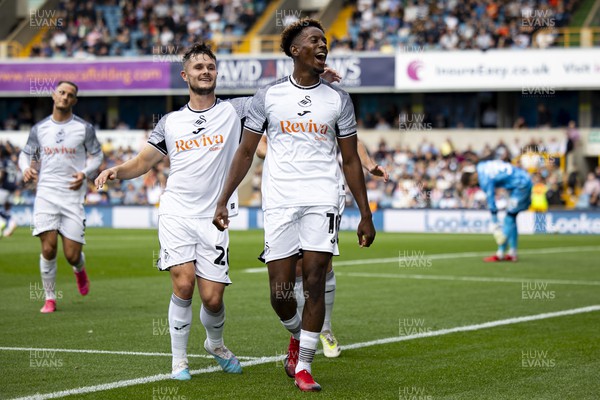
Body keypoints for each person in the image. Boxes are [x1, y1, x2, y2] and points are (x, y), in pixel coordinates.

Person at [212, 18, 376, 392]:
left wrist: (366, 214)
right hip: (281, 201)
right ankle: (296, 335)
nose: (323, 46)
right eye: (314, 40)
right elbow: (246, 150)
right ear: (294, 50)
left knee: (315, 281)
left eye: (325, 41)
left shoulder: (339, 99)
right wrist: (223, 199)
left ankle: (303, 366)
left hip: (323, 197)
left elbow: (349, 160)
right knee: (281, 294)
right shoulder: (267, 96)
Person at [95, 44, 246, 381]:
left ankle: (215, 344)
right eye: (198, 67)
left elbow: (277, 93)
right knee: (184, 283)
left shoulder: (236, 111)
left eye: (210, 66)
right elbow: (142, 161)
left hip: (215, 218)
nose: (205, 71)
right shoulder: (170, 122)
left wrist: (315, 74)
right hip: (176, 212)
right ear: (185, 75)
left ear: (216, 73)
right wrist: (115, 170)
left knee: (213, 298)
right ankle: (179, 361)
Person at [255, 135, 387, 358]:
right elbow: (260, 145)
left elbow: (351, 141)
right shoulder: (276, 103)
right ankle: (300, 335)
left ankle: (324, 329)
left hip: (324, 190)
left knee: (320, 264)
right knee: (294, 267)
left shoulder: (330, 101)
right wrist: (291, 160)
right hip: (285, 192)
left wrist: (370, 165)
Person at [17, 81, 103, 313]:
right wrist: (25, 168)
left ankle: (79, 269)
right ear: (54, 95)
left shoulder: (84, 128)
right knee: (48, 249)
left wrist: (84, 173)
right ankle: (50, 298)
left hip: (72, 196)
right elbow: (25, 154)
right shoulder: (40, 128)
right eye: (62, 92)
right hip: (46, 194)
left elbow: (97, 155)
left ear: (74, 101)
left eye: (70, 95)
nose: (65, 97)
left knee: (72, 255)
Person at [461, 159, 532, 262]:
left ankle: (501, 253)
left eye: (472, 183)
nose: (474, 184)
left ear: (472, 177)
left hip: (520, 185)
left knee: (509, 217)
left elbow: (491, 202)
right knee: (512, 218)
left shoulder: (484, 179)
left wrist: (495, 223)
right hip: (520, 180)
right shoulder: (482, 165)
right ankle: (512, 252)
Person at [0, 144, 20, 237]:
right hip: (12, 188)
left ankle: (5, 221)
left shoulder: (3, 162)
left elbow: (1, 175)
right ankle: (8, 224)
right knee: (7, 208)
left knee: (2, 209)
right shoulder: (11, 162)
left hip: (4, 188)